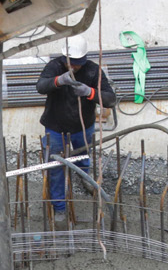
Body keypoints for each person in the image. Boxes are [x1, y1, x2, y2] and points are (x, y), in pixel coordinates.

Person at [35, 43, 118, 215]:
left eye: (78, 63)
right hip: (56, 126)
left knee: (83, 156)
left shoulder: (93, 70)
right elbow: (40, 86)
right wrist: (59, 80)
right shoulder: (55, 66)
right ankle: (59, 207)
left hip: (83, 126)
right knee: (56, 167)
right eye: (71, 62)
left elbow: (110, 99)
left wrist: (90, 92)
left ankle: (84, 177)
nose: (74, 66)